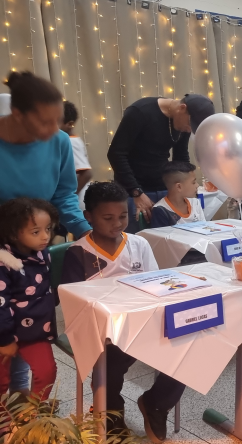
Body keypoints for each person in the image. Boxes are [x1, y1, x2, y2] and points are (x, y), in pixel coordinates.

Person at [62, 182, 180, 442]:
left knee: (186, 344)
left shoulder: (138, 244)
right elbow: (74, 304)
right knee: (111, 364)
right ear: (88, 217)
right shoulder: (79, 253)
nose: (117, 223)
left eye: (123, 216)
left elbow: (155, 285)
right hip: (103, 331)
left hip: (143, 321)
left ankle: (156, 403)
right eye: (108, 218)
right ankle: (112, 410)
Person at [107, 94, 215, 233]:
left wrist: (186, 184)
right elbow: (116, 153)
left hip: (164, 187)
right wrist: (136, 192)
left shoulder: (182, 123)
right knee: (139, 240)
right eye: (189, 125)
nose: (189, 130)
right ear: (182, 108)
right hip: (133, 190)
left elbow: (180, 156)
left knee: (173, 240)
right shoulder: (140, 111)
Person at [0, 71, 90, 238]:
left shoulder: (60, 141)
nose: (54, 129)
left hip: (33, 245)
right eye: (45, 122)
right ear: (17, 114)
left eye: (57, 120)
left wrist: (86, 231)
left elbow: (63, 196)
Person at [0, 198, 59, 402]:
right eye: (36, 232)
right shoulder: (3, 262)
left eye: (48, 229)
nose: (45, 236)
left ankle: (31, 416)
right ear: (14, 234)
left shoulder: (42, 253)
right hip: (4, 334)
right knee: (1, 381)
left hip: (35, 331)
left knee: (47, 372)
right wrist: (5, 339)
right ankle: (4, 422)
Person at [150, 161, 206, 227]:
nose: (197, 185)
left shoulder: (195, 202)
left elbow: (204, 228)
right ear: (179, 187)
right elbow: (160, 236)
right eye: (193, 182)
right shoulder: (161, 210)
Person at [59, 101, 92, 206]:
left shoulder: (70, 142)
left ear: (69, 124)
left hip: (76, 202)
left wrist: (70, 196)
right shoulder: (70, 140)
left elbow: (86, 173)